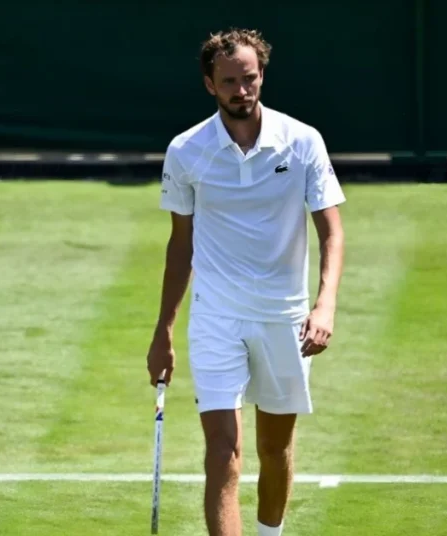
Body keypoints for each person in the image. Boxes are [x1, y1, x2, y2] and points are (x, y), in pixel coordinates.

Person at [146, 27, 346, 536]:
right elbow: (180, 245)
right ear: (210, 85)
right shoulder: (186, 151)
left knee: (274, 449)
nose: (242, 90)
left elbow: (332, 232)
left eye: (249, 78)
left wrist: (324, 306)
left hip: (285, 317)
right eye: (230, 81)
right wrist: (163, 329)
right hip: (216, 317)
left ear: (262, 77)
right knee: (223, 453)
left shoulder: (303, 142)